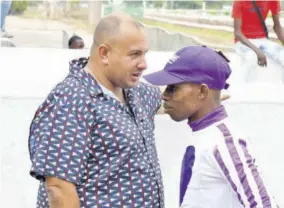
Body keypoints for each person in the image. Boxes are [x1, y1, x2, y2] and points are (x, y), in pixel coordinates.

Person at [28, 13, 164, 208]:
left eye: (144, 53)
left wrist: (210, 89)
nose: (143, 64)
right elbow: (58, 189)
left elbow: (167, 100)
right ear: (104, 53)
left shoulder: (133, 91)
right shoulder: (71, 99)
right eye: (134, 54)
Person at [143, 45, 279, 208]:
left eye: (173, 88)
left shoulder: (225, 142)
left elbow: (264, 204)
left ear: (202, 91)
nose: (164, 95)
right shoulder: (205, 136)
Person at [232, 0, 284, 81]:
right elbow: (237, 33)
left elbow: (277, 27)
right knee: (251, 58)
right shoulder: (239, 1)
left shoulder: (273, 1)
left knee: (282, 56)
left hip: (263, 40)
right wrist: (257, 51)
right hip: (244, 41)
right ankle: (245, 88)